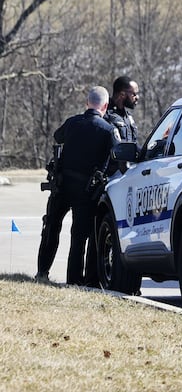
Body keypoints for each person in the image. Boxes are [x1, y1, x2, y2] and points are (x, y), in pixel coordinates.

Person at [35, 86, 120, 286]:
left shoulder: (72, 123)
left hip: (62, 186)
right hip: (86, 191)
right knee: (79, 237)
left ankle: (42, 272)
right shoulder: (108, 130)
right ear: (105, 106)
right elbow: (118, 155)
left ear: (87, 103)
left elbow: (58, 137)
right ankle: (74, 281)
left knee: (51, 228)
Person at [104, 76, 140, 175]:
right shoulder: (106, 115)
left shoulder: (128, 117)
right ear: (122, 94)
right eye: (134, 94)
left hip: (128, 173)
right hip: (111, 176)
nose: (137, 97)